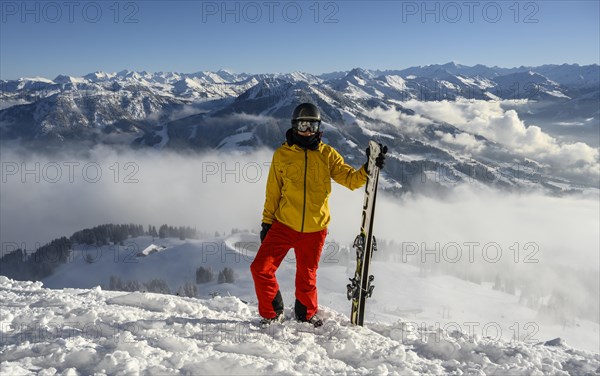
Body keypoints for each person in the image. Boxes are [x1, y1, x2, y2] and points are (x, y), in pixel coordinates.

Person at [250, 103, 386, 327]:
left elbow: (351, 180)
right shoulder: (282, 155)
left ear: (318, 127)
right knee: (260, 269)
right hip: (284, 224)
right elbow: (272, 192)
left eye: (312, 125)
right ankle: (273, 312)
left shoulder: (327, 154)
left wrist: (369, 168)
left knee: (307, 277)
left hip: (315, 229)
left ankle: (306, 313)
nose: (307, 130)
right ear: (294, 126)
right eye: (303, 125)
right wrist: (267, 223)